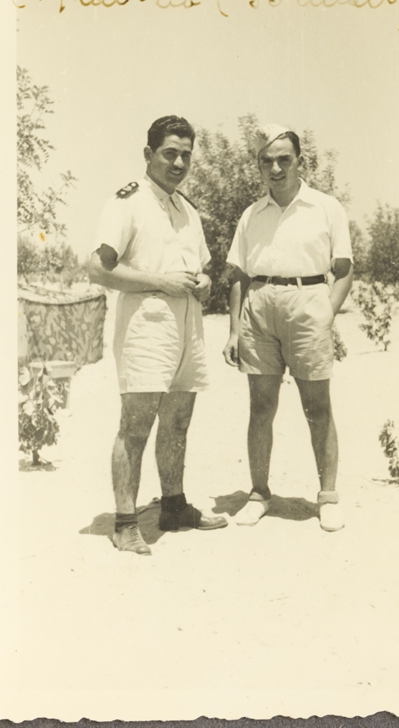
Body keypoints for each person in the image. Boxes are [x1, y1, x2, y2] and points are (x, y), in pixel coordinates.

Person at [89, 115, 227, 555]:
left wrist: (205, 282)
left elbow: (201, 268)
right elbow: (97, 268)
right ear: (148, 154)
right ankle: (125, 523)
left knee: (178, 421)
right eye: (170, 153)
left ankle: (173, 506)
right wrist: (161, 282)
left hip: (188, 327)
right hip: (147, 326)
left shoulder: (188, 209)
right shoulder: (128, 202)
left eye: (186, 154)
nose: (179, 162)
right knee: (136, 426)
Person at [223, 123, 353, 532]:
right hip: (259, 307)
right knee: (261, 407)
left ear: (300, 161)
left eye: (284, 160)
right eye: (267, 162)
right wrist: (234, 331)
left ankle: (327, 498)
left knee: (318, 407)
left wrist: (326, 313)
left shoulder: (326, 207)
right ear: (258, 166)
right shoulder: (251, 214)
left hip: (308, 302)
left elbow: (344, 269)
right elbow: (238, 275)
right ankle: (259, 494)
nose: (275, 169)